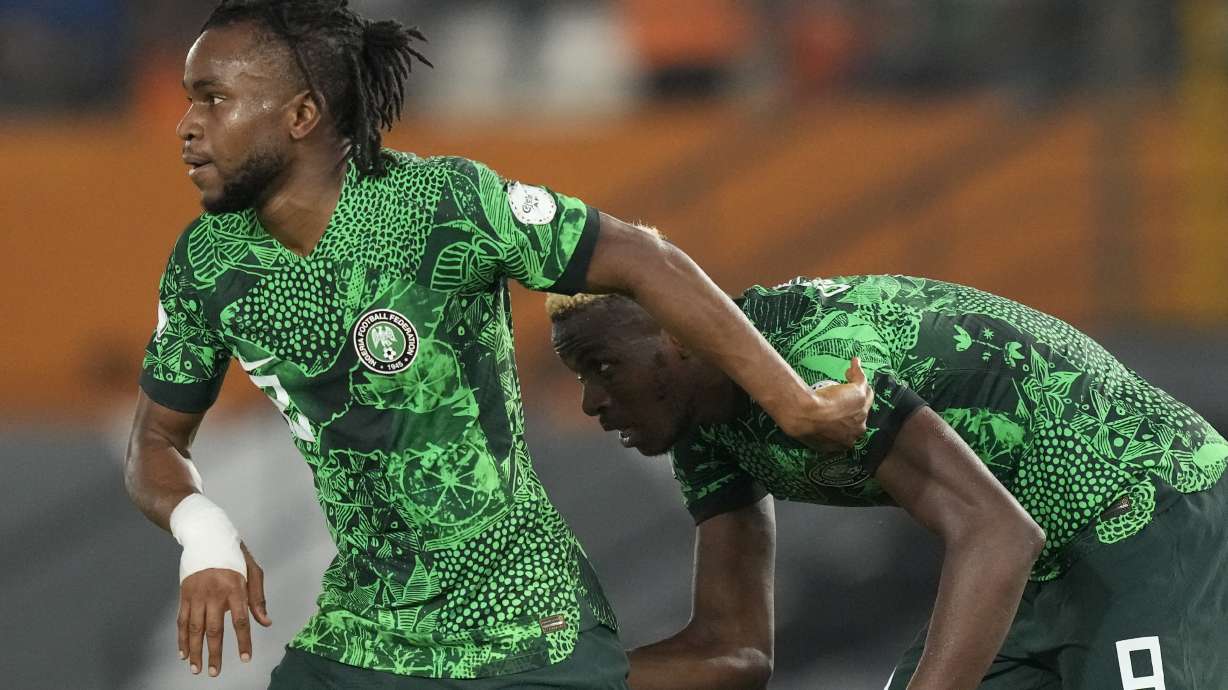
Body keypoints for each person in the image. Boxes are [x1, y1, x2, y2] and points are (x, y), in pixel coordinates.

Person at [122, 1, 874, 688]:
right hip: (362, 637)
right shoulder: (209, 264)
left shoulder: (443, 206)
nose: (186, 124)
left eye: (212, 98)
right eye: (190, 98)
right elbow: (156, 443)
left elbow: (648, 261)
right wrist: (204, 533)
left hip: (520, 628)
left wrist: (795, 404)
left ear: (302, 114)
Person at [548, 270, 1228, 689]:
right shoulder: (707, 426)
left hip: (1150, 515)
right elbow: (735, 651)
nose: (590, 402)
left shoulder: (823, 360)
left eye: (603, 365)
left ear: (684, 336)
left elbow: (997, 534)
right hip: (1040, 567)